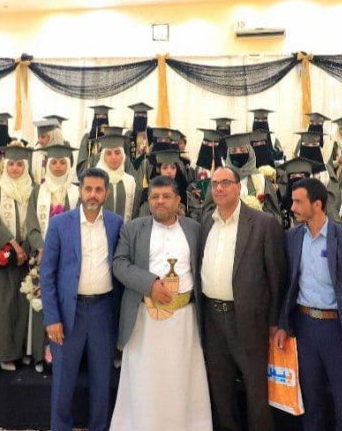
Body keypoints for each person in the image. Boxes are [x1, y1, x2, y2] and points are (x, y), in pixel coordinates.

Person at [273, 177, 342, 431]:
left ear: (317, 204)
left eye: (298, 202)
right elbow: (288, 286)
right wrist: (283, 325)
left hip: (339, 331)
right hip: (305, 328)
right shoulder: (292, 237)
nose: (292, 208)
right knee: (312, 402)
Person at [112, 175, 212, 431]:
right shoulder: (133, 228)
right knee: (146, 381)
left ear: (178, 200)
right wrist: (150, 284)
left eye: (166, 196)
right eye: (155, 197)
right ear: (148, 201)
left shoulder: (194, 229)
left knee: (181, 379)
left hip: (184, 320)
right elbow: (119, 264)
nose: (160, 201)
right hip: (145, 320)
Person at [197, 166, 285, 431]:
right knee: (220, 389)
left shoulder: (263, 223)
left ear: (239, 187)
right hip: (213, 318)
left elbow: (277, 277)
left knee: (256, 391)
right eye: (215, 184)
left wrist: (274, 321)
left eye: (225, 182)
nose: (219, 188)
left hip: (248, 319)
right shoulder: (206, 223)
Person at [39, 167, 123, 431]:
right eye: (88, 189)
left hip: (103, 312)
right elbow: (47, 274)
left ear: (106, 193)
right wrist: (52, 318)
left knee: (102, 380)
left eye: (98, 190)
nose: (93, 195)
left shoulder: (116, 224)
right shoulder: (60, 224)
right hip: (68, 314)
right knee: (63, 382)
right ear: (80, 191)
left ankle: (99, 427)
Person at [0, 145, 37, 371]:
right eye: (11, 164)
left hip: (25, 259)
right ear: (4, 165)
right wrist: (13, 246)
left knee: (23, 306)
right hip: (0, 258)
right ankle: (2, 353)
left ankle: (21, 351)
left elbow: (36, 223)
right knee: (1, 307)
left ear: (26, 167)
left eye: (20, 164)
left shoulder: (33, 191)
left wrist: (26, 249)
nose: (15, 168)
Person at [23, 143, 77, 371]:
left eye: (62, 162)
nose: (58, 166)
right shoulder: (38, 191)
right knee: (42, 302)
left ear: (69, 165)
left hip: (70, 258)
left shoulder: (76, 191)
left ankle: (64, 355)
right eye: (53, 162)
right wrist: (41, 247)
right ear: (47, 165)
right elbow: (32, 224)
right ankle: (40, 354)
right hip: (42, 257)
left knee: (66, 304)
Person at [95, 134, 140, 221]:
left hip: (125, 228)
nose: (113, 157)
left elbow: (134, 213)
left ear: (123, 155)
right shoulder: (95, 179)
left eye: (117, 153)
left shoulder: (130, 181)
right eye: (108, 153)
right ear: (103, 157)